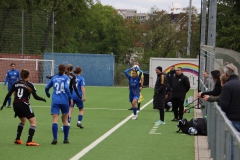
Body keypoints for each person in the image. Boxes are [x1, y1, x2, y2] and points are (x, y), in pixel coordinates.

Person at [1, 69, 46, 146]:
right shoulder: (30, 85)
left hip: (16, 104)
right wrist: (42, 99)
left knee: (23, 120)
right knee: (33, 122)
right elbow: (35, 97)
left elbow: (8, 94)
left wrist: (4, 104)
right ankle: (29, 141)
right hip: (24, 104)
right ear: (28, 75)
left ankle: (17, 139)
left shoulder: (16, 83)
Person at [45, 64, 73, 144]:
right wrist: (70, 98)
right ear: (65, 70)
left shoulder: (54, 78)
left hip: (55, 101)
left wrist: (47, 94)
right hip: (64, 101)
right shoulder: (66, 78)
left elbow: (47, 87)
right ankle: (66, 139)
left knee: (55, 120)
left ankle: (55, 138)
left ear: (58, 69)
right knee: (65, 120)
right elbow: (67, 88)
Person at [219, 63, 240, 160]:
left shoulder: (227, 86)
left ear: (226, 75)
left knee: (232, 145)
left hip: (232, 119)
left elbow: (224, 106)